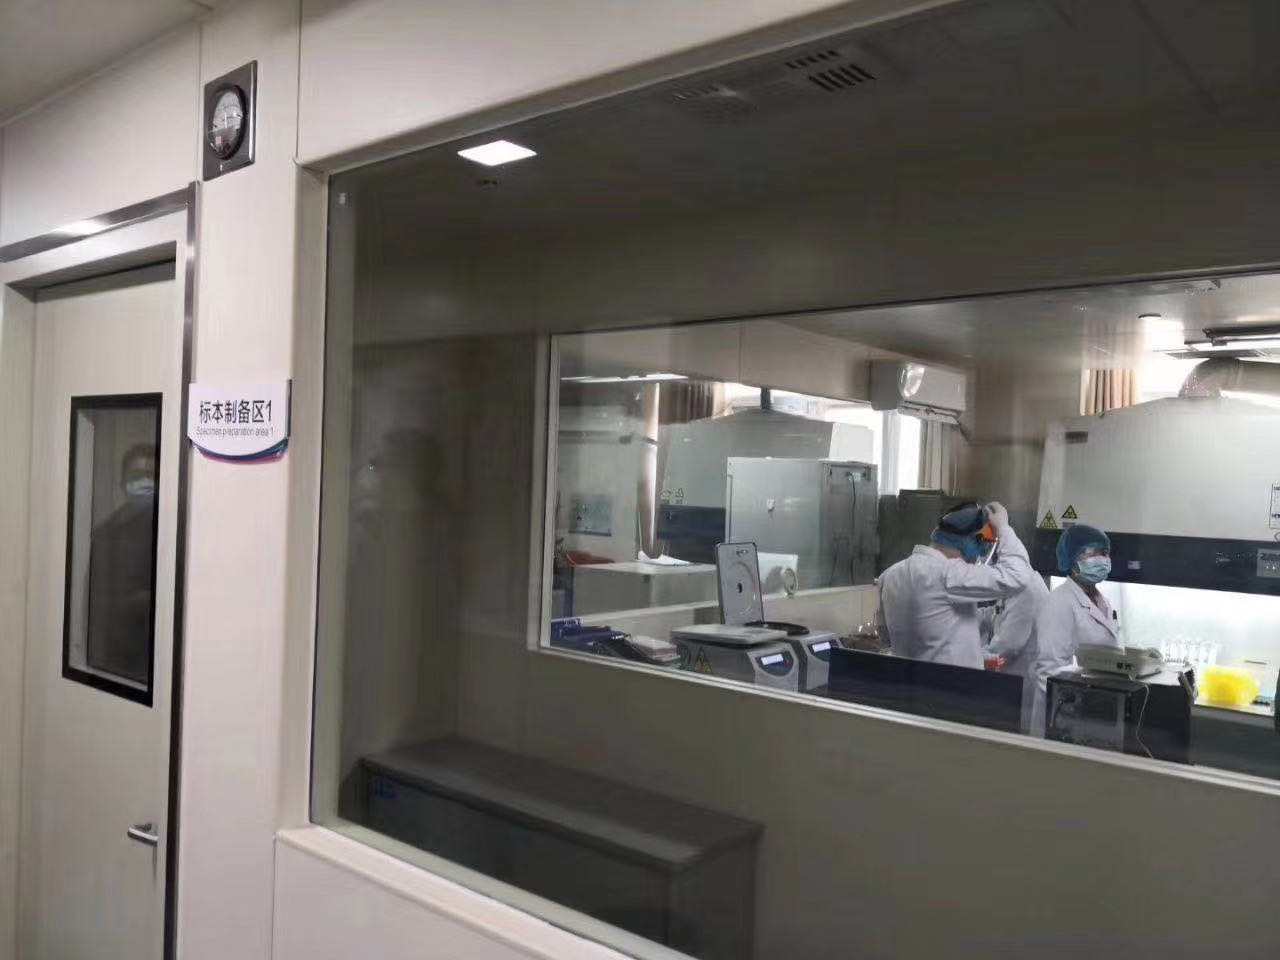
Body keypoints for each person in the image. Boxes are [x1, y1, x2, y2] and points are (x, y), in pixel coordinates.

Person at [875, 501, 1034, 669]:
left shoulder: (889, 575)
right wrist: (1003, 528)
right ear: (971, 541)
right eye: (981, 545)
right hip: (951, 682)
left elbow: (887, 637)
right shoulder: (948, 573)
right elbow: (1016, 576)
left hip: (908, 680)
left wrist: (990, 620)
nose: (978, 556)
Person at [1026, 523, 1120, 733]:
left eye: (1105, 553)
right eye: (1094, 553)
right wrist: (1070, 711)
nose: (1103, 559)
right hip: (1064, 716)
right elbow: (1049, 669)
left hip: (1095, 707)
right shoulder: (1058, 602)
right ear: (1073, 558)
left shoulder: (1102, 601)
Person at [86, 443, 158, 684]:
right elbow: (95, 600)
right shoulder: (105, 533)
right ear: (123, 484)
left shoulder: (170, 529)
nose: (145, 481)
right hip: (115, 655)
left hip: (159, 651)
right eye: (137, 475)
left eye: (151, 474)